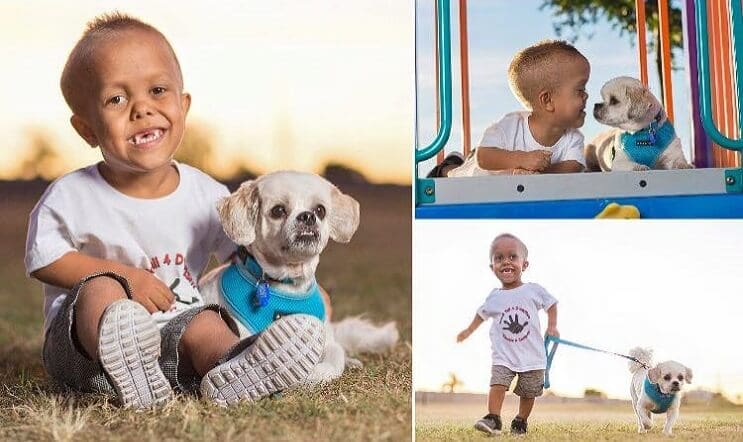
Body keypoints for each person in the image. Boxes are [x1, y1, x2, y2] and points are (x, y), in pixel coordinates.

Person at [24, 12, 325, 408]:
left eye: (158, 90)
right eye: (117, 99)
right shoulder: (72, 194)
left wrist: (307, 292)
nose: (142, 109)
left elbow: (249, 257)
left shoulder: (205, 194)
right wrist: (127, 278)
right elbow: (45, 260)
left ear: (183, 106)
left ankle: (236, 367)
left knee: (206, 321)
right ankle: (125, 358)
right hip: (83, 348)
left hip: (170, 336)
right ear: (88, 129)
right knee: (102, 290)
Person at [429, 40, 589, 177]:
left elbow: (573, 166)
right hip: (483, 176)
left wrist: (538, 175)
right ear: (547, 100)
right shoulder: (511, 125)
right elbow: (484, 157)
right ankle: (448, 166)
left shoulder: (573, 138)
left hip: (517, 190)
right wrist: (522, 159)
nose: (586, 95)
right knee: (457, 176)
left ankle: (467, 156)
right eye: (580, 90)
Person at [457, 233, 559, 435]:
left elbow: (551, 304)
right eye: (499, 258)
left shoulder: (533, 290)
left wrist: (552, 326)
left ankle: (521, 421)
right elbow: (481, 314)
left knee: (529, 392)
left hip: (533, 356)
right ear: (492, 267)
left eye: (513, 257)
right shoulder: (495, 297)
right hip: (503, 355)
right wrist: (468, 330)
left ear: (525, 264)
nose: (506, 262)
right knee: (497, 383)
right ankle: (493, 418)